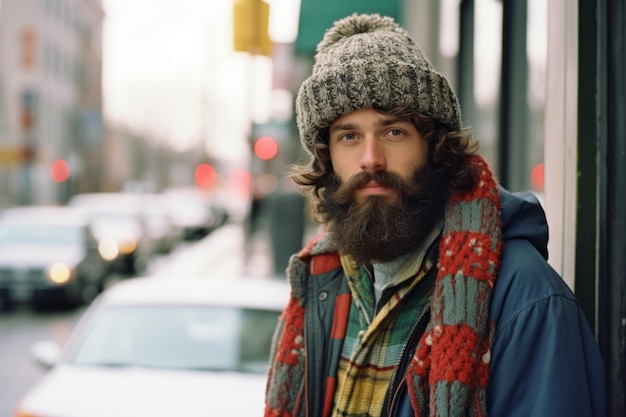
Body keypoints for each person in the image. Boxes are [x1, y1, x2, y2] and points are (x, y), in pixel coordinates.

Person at [263, 13, 606, 417]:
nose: (371, 159)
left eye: (394, 132)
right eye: (349, 136)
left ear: (435, 146)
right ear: (328, 158)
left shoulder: (526, 301)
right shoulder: (322, 284)